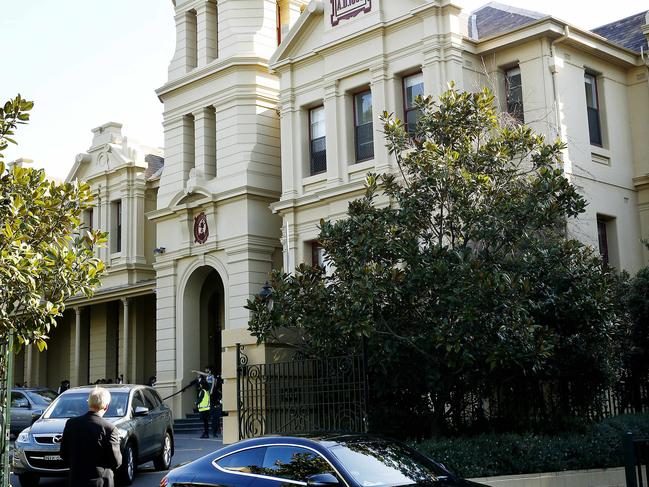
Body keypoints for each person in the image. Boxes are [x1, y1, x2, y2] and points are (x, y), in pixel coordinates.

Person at [60, 386, 122, 487]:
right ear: (106, 407)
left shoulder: (71, 424)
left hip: (76, 479)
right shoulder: (109, 428)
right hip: (101, 480)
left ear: (89, 403)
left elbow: (64, 454)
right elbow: (116, 461)